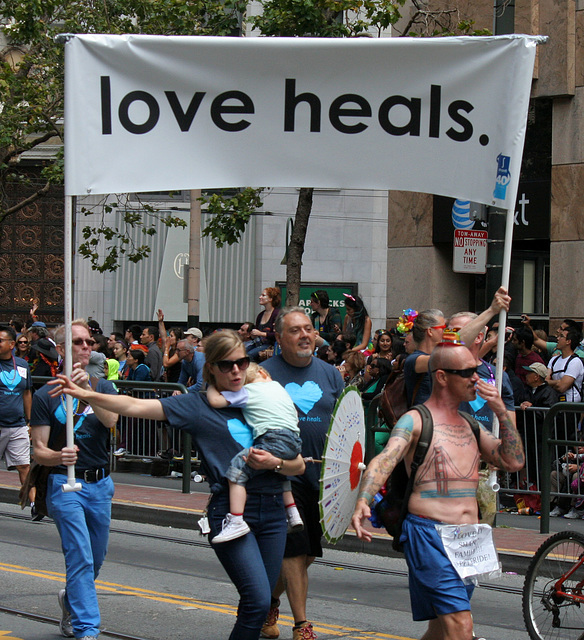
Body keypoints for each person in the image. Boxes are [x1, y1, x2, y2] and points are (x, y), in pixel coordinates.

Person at [51, 329, 305, 640]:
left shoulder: (260, 397)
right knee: (256, 599)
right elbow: (134, 406)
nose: (236, 370)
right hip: (232, 512)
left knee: (261, 603)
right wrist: (88, 394)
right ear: (210, 367)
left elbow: (299, 464)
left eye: (241, 362)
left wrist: (274, 463)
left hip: (273, 512)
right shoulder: (198, 406)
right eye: (226, 365)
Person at [351, 342, 524, 640]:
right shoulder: (416, 420)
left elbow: (513, 461)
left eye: (477, 370)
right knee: (460, 626)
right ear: (442, 377)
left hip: (469, 540)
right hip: (430, 535)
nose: (476, 378)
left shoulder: (471, 424)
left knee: (441, 630)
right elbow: (385, 459)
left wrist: (501, 411)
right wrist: (363, 500)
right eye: (467, 372)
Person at [30, 319, 118, 640]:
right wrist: (57, 457)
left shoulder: (103, 386)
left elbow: (111, 420)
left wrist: (87, 392)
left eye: (89, 343)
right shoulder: (45, 394)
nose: (86, 347)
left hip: (100, 484)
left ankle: (70, 600)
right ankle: (87, 629)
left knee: (95, 559)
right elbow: (39, 450)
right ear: (63, 349)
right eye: (78, 342)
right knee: (79, 555)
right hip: (65, 485)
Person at [261, 307, 344, 640]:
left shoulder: (330, 375)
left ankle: (269, 600)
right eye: (294, 330)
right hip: (283, 476)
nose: (304, 335)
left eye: (308, 329)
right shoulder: (262, 374)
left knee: (307, 552)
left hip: (322, 480)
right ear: (279, 337)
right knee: (294, 549)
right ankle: (302, 624)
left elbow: (344, 424)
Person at [207, 362, 304, 542]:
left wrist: (211, 385)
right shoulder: (279, 388)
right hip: (294, 440)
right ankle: (292, 513)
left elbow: (215, 401)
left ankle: (236, 520)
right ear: (264, 374)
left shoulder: (247, 392)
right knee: (279, 475)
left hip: (273, 437)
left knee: (238, 467)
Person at [0, 325, 32, 494]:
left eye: (0, 340)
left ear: (12, 344)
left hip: (17, 425)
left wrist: (29, 421)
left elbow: (27, 393)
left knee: (24, 465)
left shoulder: (22, 365)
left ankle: (34, 504)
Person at [546, 326, 584, 403]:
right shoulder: (554, 360)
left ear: (568, 341)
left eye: (561, 336)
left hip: (570, 408)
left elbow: (562, 387)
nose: (558, 338)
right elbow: (545, 381)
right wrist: (559, 381)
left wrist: (552, 382)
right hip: (555, 404)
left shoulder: (575, 362)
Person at [248, 287, 281, 361]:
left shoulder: (277, 314)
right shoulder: (260, 315)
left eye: (263, 295)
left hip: (270, 345)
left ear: (270, 299)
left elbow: (277, 334)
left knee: (249, 355)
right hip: (258, 343)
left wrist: (261, 333)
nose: (260, 297)